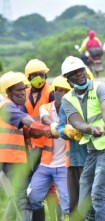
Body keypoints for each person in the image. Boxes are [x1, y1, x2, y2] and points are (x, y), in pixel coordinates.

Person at [60, 56, 105, 220]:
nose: (79, 75)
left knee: (99, 194)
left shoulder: (101, 87)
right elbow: (76, 122)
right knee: (84, 203)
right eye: (73, 73)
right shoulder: (67, 99)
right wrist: (89, 129)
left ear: (85, 70)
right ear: (68, 79)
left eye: (80, 70)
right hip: (92, 150)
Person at [0, 71, 53, 221]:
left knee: (19, 196)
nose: (23, 93)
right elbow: (26, 121)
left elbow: (25, 131)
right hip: (10, 159)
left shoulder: (12, 107)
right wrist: (49, 129)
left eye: (24, 88)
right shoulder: (7, 106)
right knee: (22, 199)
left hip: (16, 158)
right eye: (19, 90)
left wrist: (40, 132)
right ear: (9, 92)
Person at [23, 58, 61, 220]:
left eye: (42, 74)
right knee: (34, 183)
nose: (39, 78)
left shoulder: (51, 93)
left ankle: (56, 216)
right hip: (30, 144)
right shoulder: (23, 93)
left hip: (48, 143)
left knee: (49, 186)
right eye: (35, 75)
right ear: (29, 77)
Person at [28, 76, 71, 218]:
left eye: (66, 91)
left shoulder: (73, 111)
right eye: (59, 90)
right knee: (33, 197)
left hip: (65, 165)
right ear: (54, 91)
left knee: (68, 203)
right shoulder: (46, 107)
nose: (62, 93)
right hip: (46, 164)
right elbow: (45, 117)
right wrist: (53, 125)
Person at [56, 73, 93, 221]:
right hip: (72, 161)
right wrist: (66, 131)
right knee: (74, 204)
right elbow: (60, 127)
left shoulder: (94, 100)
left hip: (90, 158)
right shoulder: (67, 102)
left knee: (90, 202)